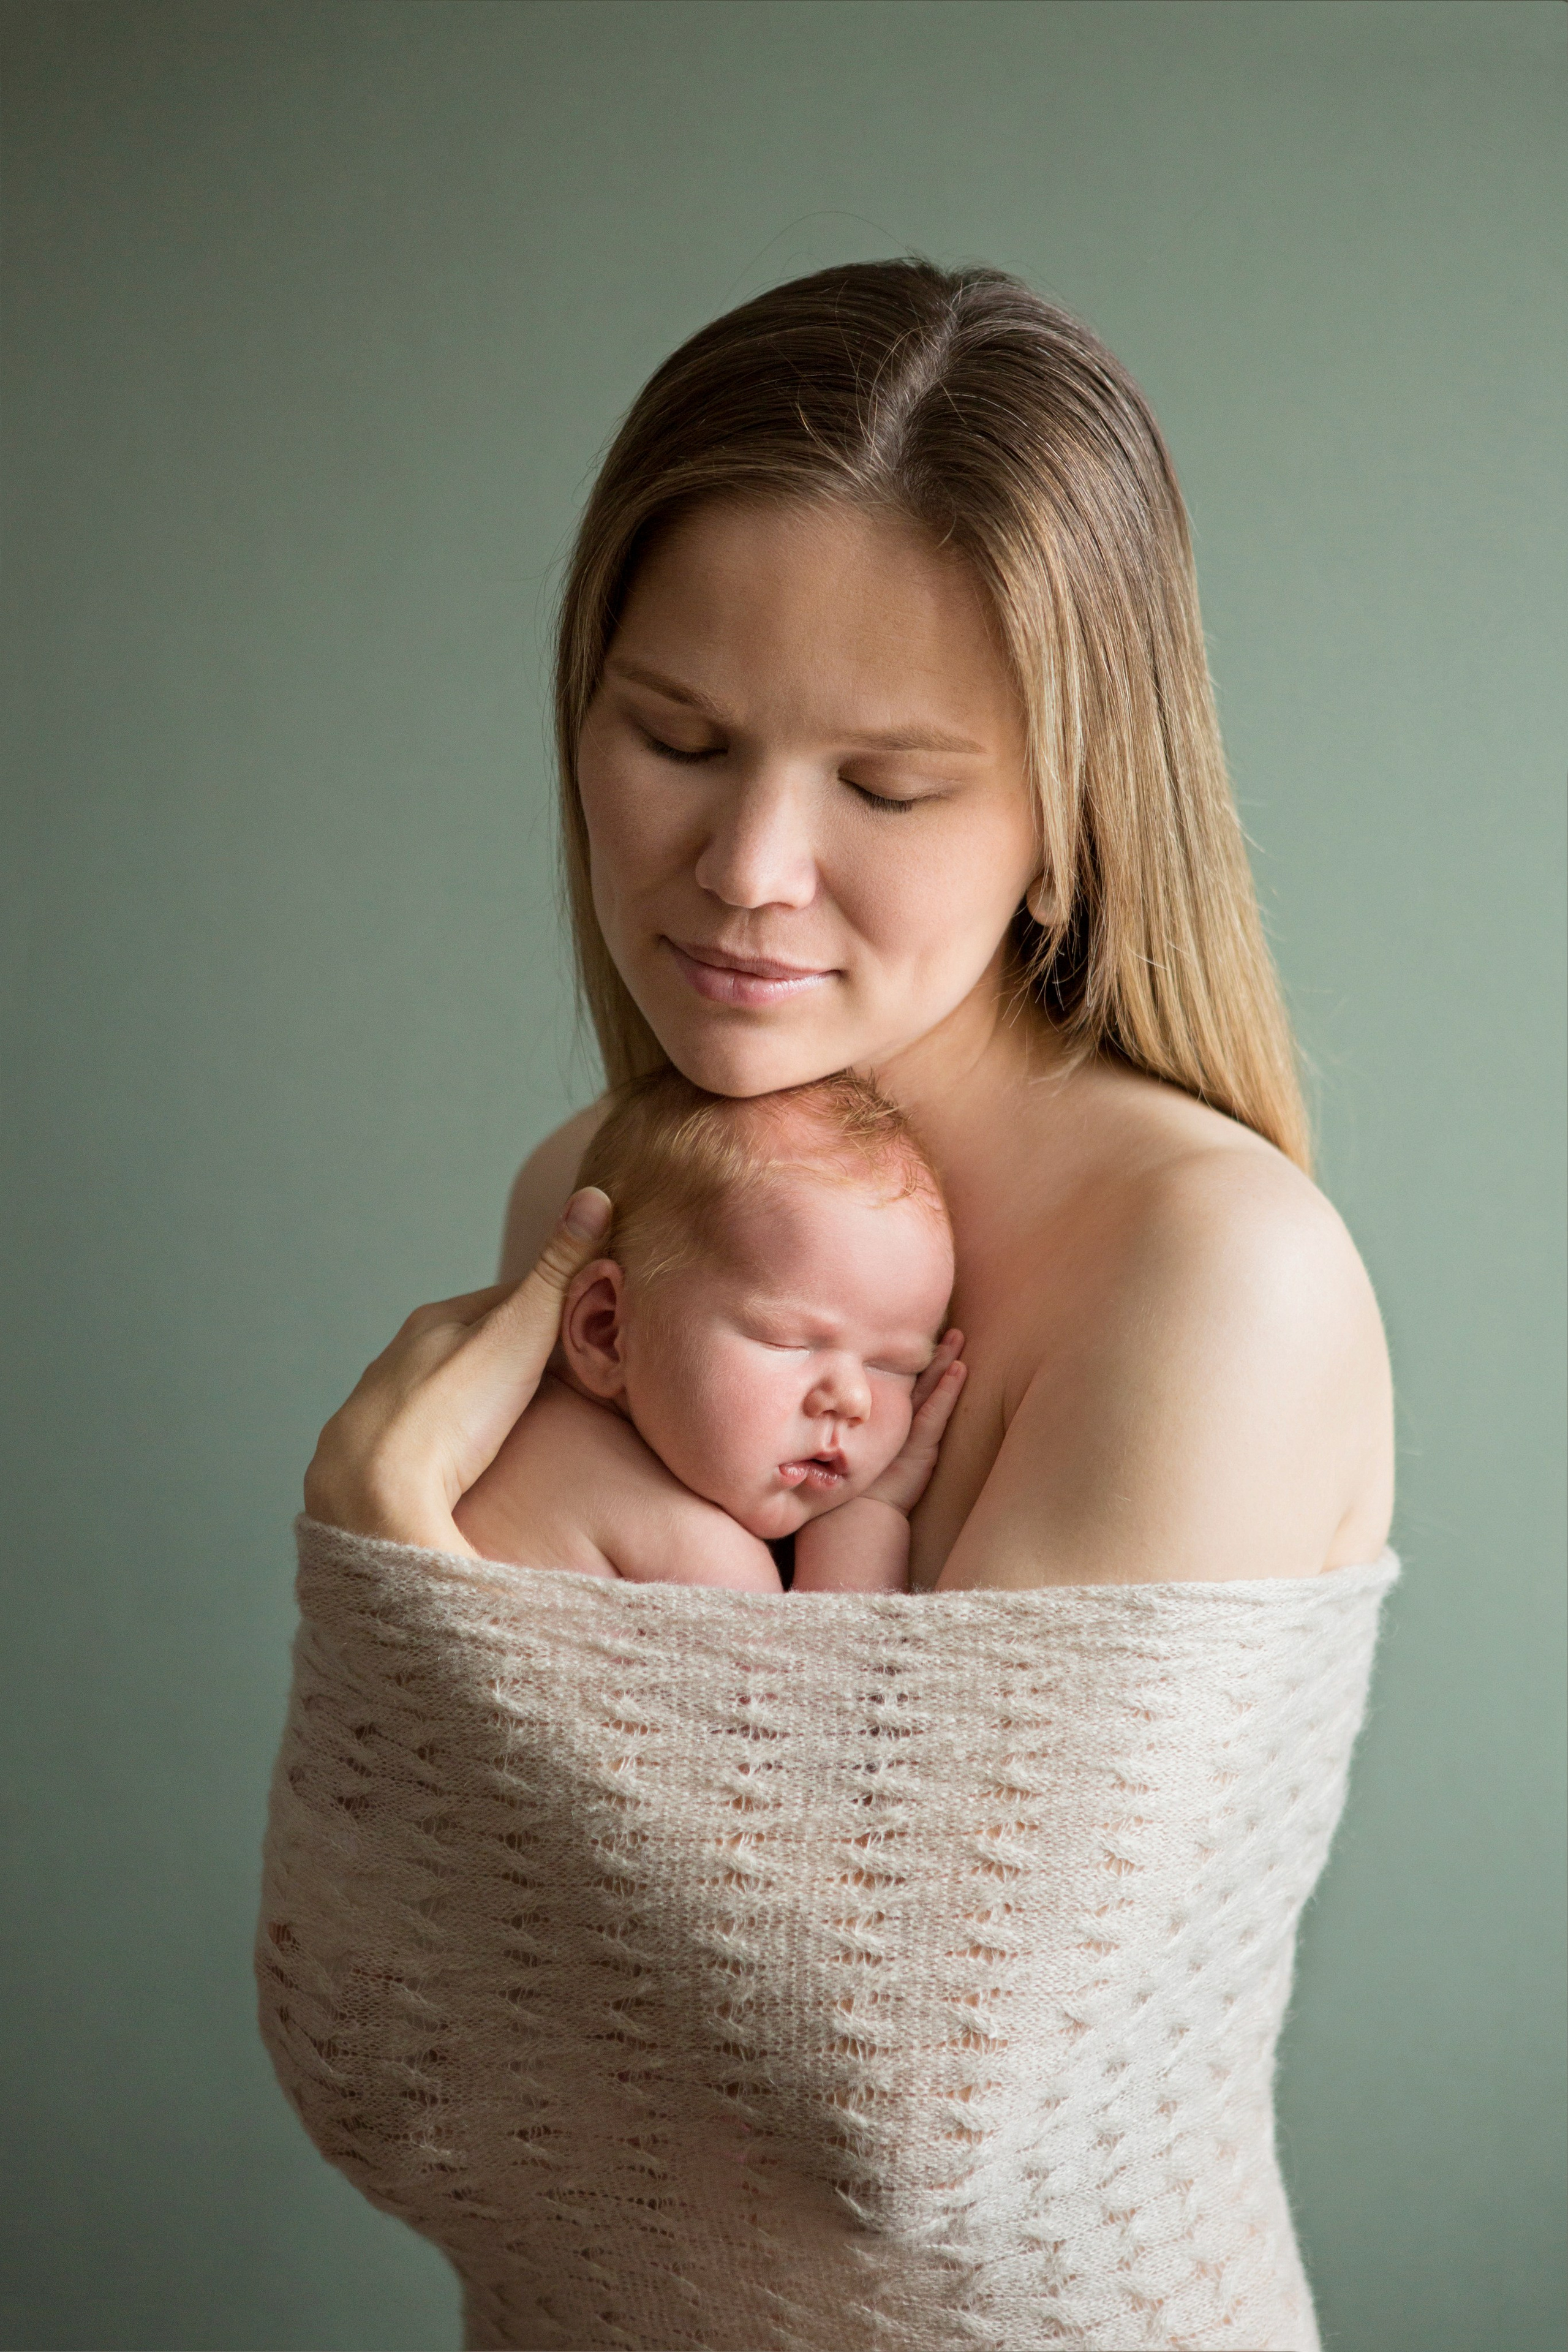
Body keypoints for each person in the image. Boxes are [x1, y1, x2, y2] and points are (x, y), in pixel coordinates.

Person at [284, 258, 1397, 2350]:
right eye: (676, 737)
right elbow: (370, 2053)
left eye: (887, 788)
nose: (750, 866)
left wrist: (385, 1560)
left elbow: (906, 2123)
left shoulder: (1212, 1278)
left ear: (1070, 825)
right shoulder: (606, 1193)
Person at [451, 1066, 968, 1593]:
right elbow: (830, 1671)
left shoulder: (498, 1438)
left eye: (895, 1365)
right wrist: (867, 1519)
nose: (853, 1399)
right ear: (606, 1331)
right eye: (786, 1341)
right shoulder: (695, 1549)